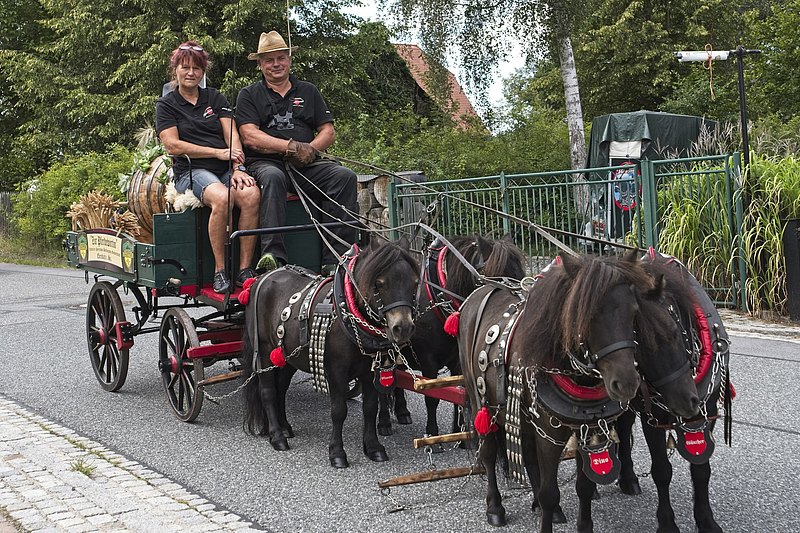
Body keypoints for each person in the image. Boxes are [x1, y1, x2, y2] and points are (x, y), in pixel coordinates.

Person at [236, 31, 358, 275]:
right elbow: (249, 135)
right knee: (273, 177)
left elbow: (328, 131)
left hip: (305, 163)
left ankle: (337, 258)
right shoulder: (249, 95)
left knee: (345, 176)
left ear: (289, 60)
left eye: (281, 58)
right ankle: (273, 257)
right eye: (269, 60)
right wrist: (288, 147)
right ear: (260, 64)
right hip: (265, 163)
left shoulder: (308, 91)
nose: (276, 64)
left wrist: (310, 149)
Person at [156, 41, 260, 293]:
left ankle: (244, 269)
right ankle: (220, 270)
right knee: (223, 198)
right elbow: (172, 145)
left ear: (203, 71)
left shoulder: (214, 97)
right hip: (191, 171)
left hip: (224, 168)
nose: (191, 73)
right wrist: (217, 152)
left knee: (251, 194)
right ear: (175, 70)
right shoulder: (166, 104)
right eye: (185, 67)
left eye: (196, 68)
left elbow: (232, 135)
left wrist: (238, 168)